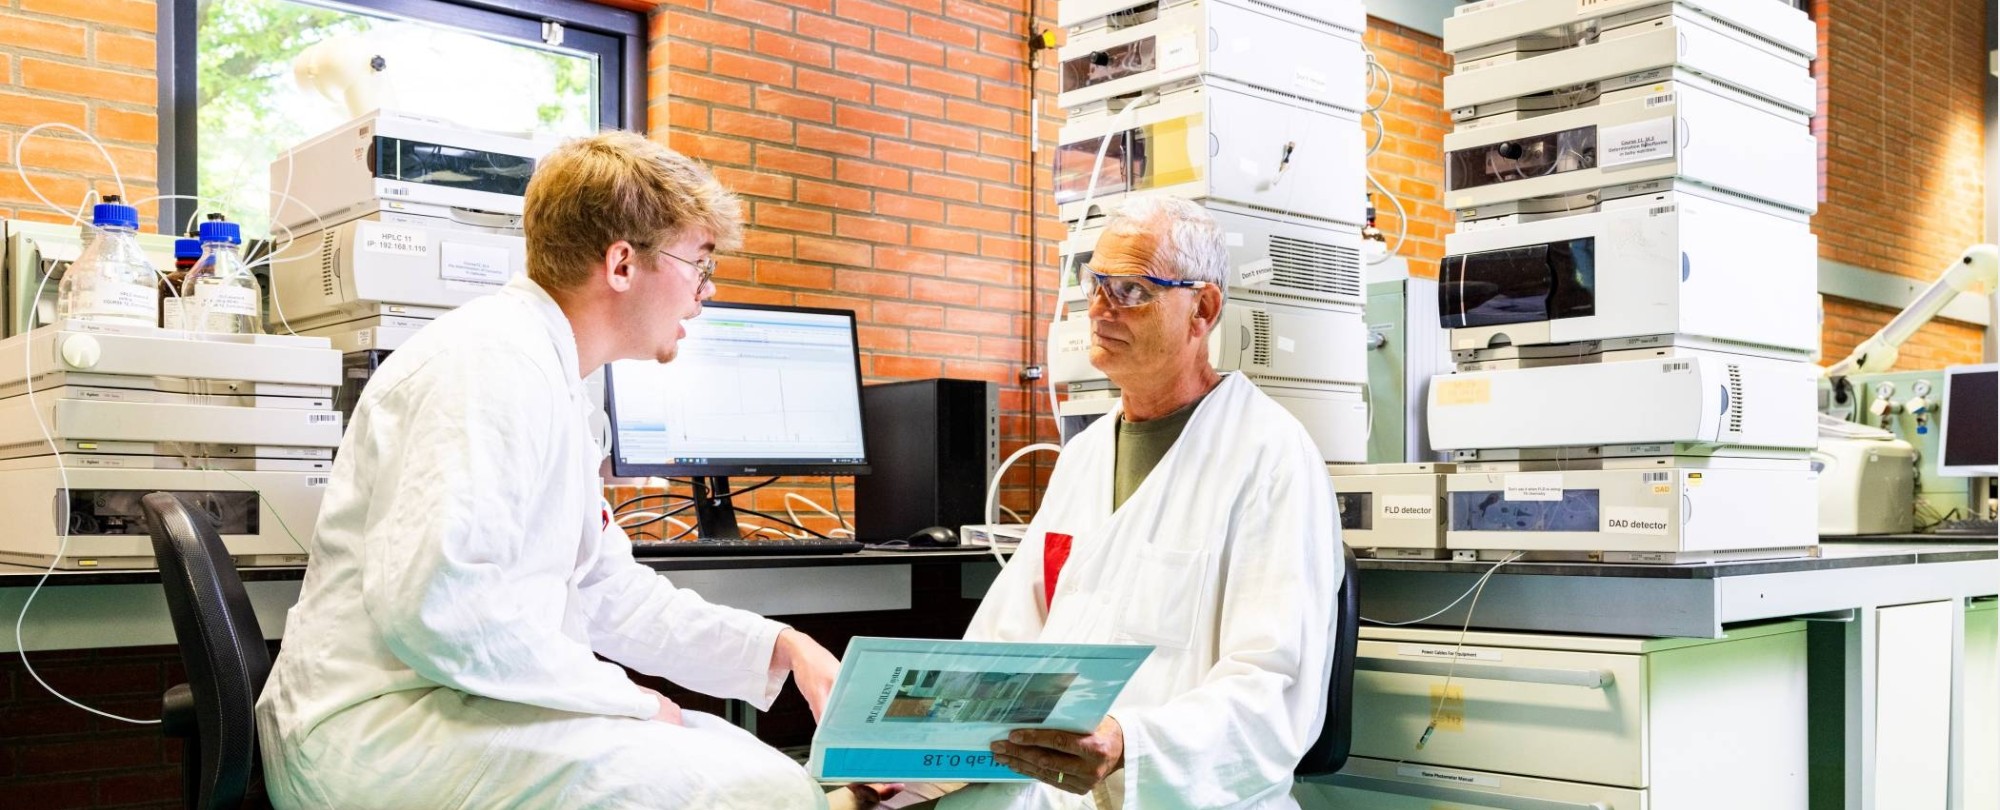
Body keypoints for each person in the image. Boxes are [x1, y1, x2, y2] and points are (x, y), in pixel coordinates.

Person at [256, 131, 838, 809]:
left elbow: (607, 591)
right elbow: (441, 610)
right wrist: (627, 700)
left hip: (451, 705)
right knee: (761, 789)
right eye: (699, 264)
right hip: (378, 734)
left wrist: (781, 647)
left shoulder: (551, 375)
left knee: (754, 763)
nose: (703, 294)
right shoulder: (487, 365)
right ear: (622, 264)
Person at [851, 197, 1343, 809]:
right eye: (1096, 284)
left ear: (1203, 309)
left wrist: (1129, 742)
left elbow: (1273, 688)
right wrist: (914, 751)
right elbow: (1007, 643)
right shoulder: (1083, 457)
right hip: (1051, 786)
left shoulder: (1270, 457)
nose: (1101, 309)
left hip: (1178, 794)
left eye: (1131, 289)